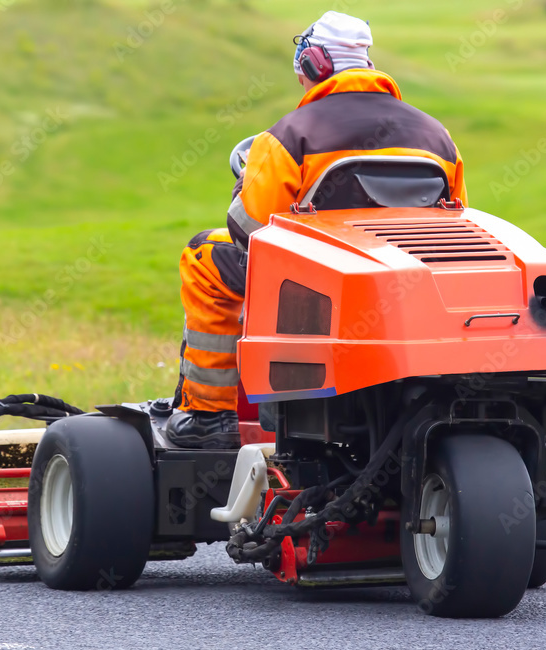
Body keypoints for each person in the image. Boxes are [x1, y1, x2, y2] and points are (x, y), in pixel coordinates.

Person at [166, 10, 468, 449]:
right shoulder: (437, 136)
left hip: (314, 282)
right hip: (408, 282)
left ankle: (208, 416)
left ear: (313, 65)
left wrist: (244, 181)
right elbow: (456, 218)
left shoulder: (289, 136)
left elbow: (249, 228)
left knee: (203, 256)